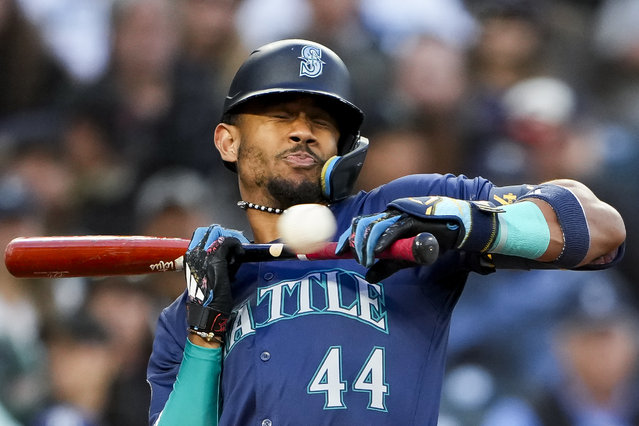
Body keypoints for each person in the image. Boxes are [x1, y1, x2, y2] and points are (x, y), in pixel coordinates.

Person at [146, 39, 625, 425]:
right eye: (279, 116)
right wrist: (204, 335)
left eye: (320, 121)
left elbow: (601, 228)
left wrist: (465, 222)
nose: (303, 132)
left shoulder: (406, 213)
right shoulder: (196, 306)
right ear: (227, 141)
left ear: (343, 145)